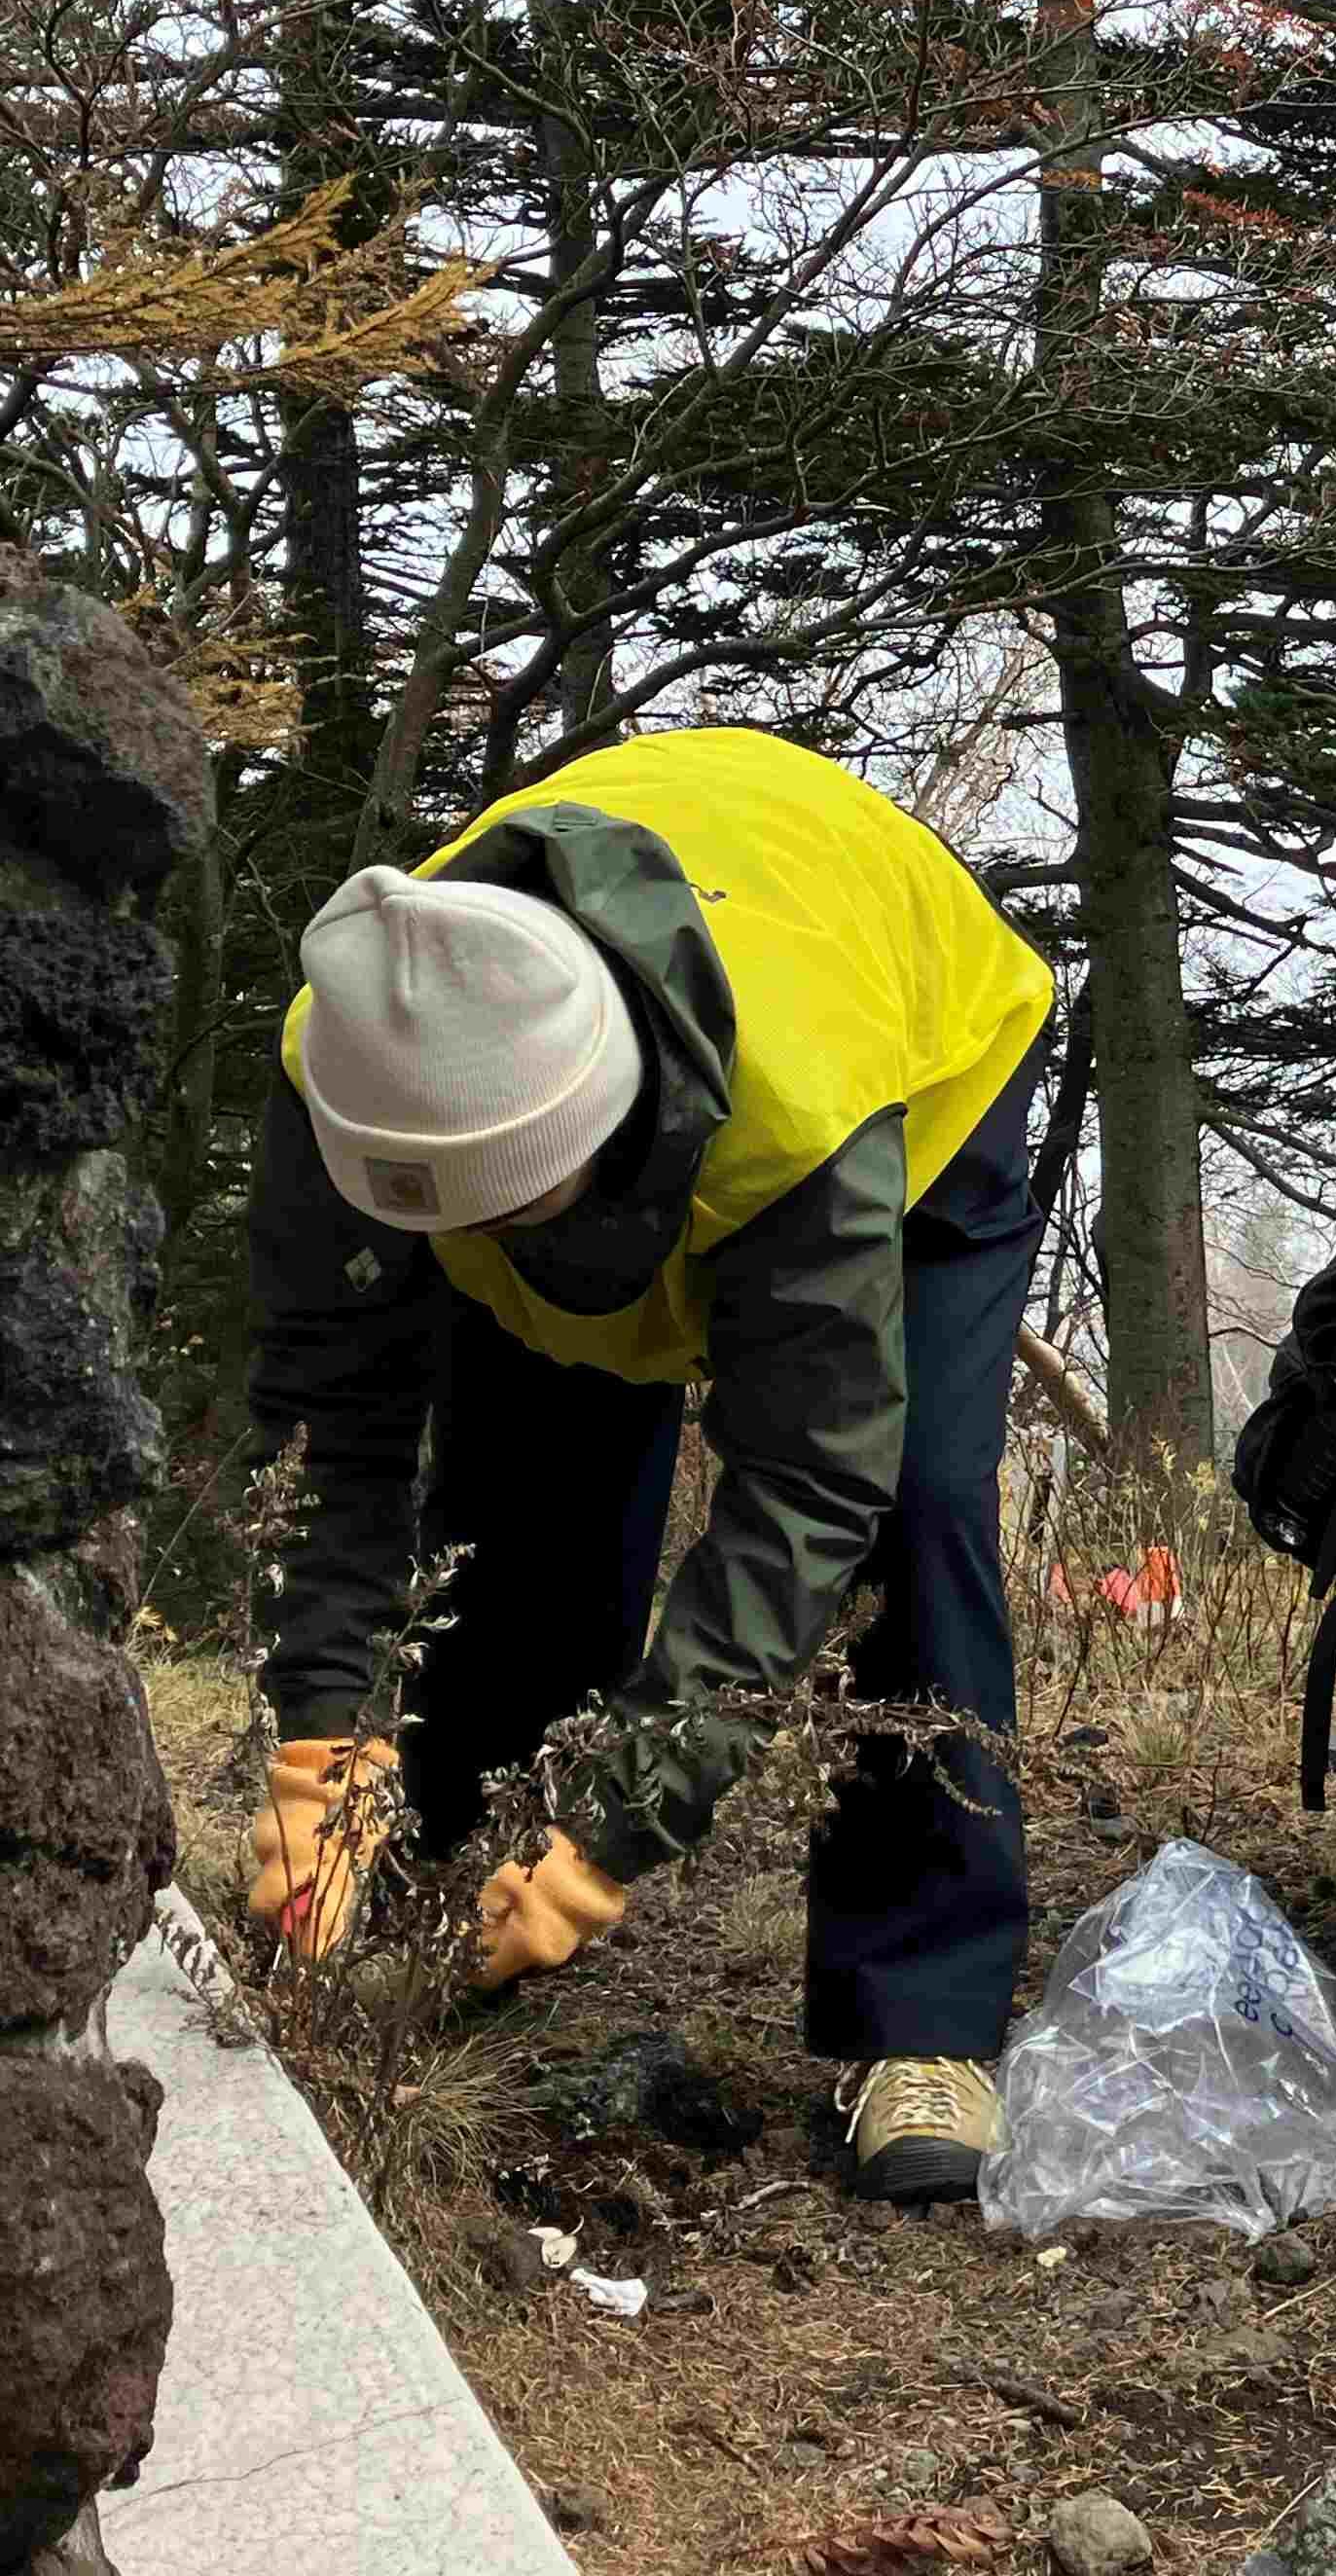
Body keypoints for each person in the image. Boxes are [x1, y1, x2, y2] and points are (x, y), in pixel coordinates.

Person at [241, 725, 1054, 2207]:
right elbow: (332, 1432)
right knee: (525, 1507)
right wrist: (322, 1748)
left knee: (913, 1509)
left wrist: (616, 1828)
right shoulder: (349, 1063)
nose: (484, 1250)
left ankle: (920, 2018)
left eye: (509, 1215)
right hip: (553, 1096)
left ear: (597, 1134)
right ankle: (442, 1891)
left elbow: (808, 1490)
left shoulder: (800, 1121)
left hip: (919, 1064)